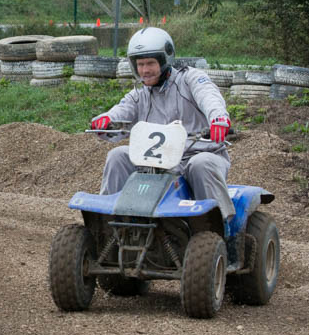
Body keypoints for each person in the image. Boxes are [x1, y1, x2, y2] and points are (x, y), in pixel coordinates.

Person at [90, 26, 234, 221]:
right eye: (140, 64)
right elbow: (121, 111)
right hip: (155, 162)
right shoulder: (139, 94)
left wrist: (218, 119)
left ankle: (219, 226)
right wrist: (106, 120)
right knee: (118, 156)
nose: (145, 70)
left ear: (165, 59)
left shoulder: (190, 79)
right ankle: (108, 222)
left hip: (197, 155)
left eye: (150, 63)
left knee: (202, 164)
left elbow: (209, 97)